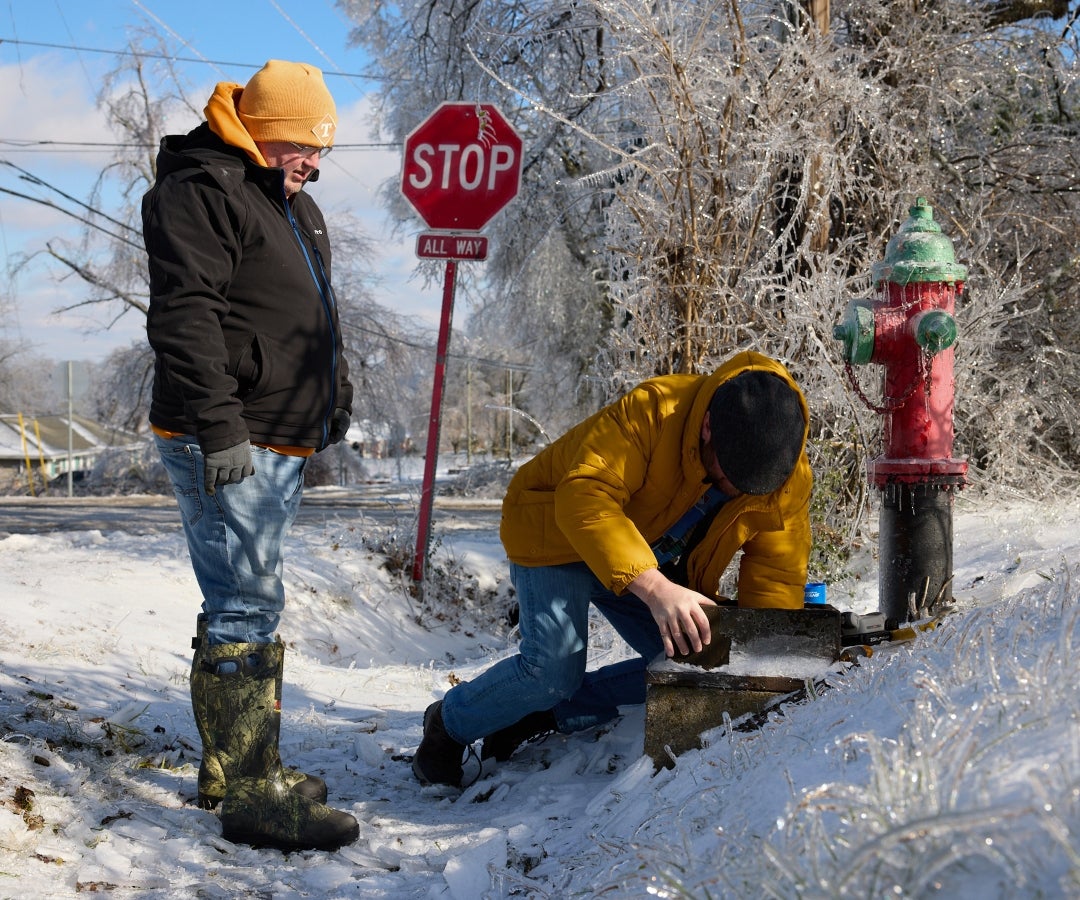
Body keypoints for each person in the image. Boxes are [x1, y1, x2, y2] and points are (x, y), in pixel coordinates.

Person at [412, 350, 812, 787]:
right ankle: (448, 724)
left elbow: (775, 571)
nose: (734, 490)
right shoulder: (655, 409)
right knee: (552, 670)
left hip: (635, 553)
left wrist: (764, 659)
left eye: (749, 487)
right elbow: (585, 497)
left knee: (701, 661)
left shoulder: (785, 474)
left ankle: (539, 713)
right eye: (727, 474)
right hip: (554, 533)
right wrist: (657, 590)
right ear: (707, 426)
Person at [142, 60, 358, 850]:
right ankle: (251, 793)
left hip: (276, 434)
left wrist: (334, 396)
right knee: (246, 604)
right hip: (231, 436)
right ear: (262, 133)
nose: (314, 163)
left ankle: (235, 770)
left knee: (242, 600)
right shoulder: (203, 191)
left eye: (321, 149)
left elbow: (310, 315)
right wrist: (221, 427)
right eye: (305, 146)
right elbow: (186, 318)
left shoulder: (285, 199)